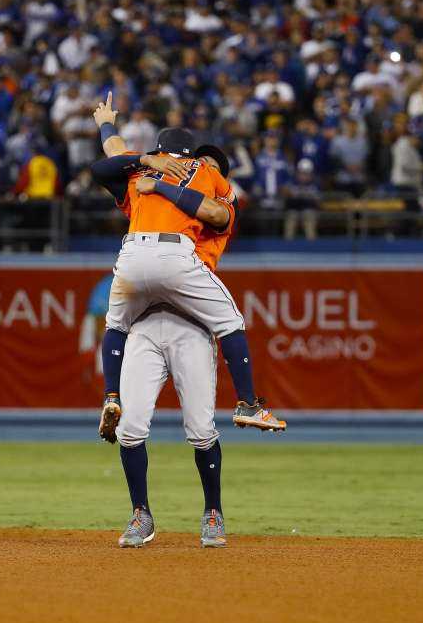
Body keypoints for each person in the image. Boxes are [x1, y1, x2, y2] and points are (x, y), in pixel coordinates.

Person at [89, 92, 286, 439]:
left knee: (117, 327)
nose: (204, 166)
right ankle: (248, 404)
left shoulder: (208, 188)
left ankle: (111, 394)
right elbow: (116, 157)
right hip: (179, 276)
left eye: (211, 165)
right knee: (230, 323)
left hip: (159, 278)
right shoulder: (182, 174)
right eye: (200, 160)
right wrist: (125, 142)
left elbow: (216, 213)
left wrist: (152, 174)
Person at [114, 305, 227, 549]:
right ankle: (141, 514)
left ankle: (213, 512)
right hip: (143, 323)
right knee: (130, 426)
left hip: (192, 322)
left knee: (201, 430)